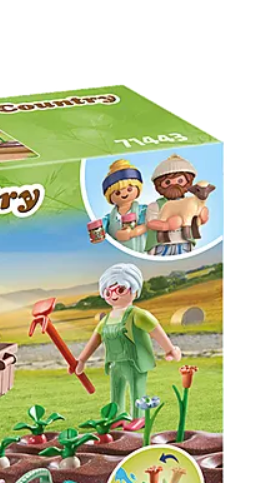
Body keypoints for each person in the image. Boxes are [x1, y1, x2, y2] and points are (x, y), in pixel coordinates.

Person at [72, 264, 182, 418]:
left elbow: (156, 330)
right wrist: (82, 360)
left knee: (137, 389)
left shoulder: (138, 315)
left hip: (135, 362)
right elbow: (95, 340)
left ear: (134, 289)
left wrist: (170, 349)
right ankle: (117, 415)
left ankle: (138, 417)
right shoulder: (106, 320)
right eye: (108, 292)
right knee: (116, 390)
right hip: (115, 363)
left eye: (120, 290)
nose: (113, 296)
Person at [145, 154, 208, 256]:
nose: (174, 185)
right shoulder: (155, 206)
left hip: (184, 244)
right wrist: (166, 225)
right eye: (167, 182)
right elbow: (150, 223)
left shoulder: (190, 203)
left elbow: (194, 221)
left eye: (180, 181)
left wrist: (201, 219)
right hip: (162, 245)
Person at [101, 159, 150, 254]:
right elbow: (101, 231)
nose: (124, 194)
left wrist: (133, 233)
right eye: (117, 193)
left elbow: (148, 224)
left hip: (140, 251)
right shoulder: (110, 219)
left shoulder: (142, 210)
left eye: (129, 189)